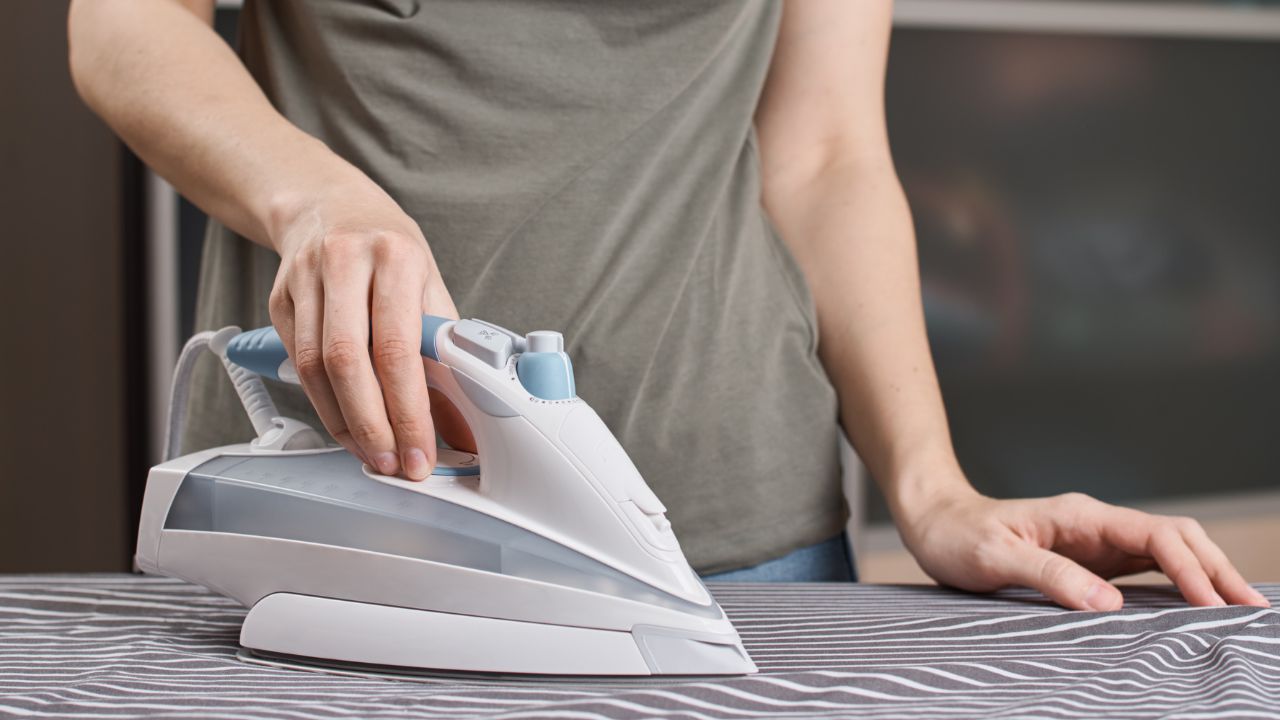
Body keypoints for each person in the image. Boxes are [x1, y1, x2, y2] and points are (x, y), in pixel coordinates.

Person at [69, 0, 1268, 609]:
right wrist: (316, 202)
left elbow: (824, 158)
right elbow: (121, 20)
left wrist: (932, 487)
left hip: (738, 540)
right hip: (343, 516)